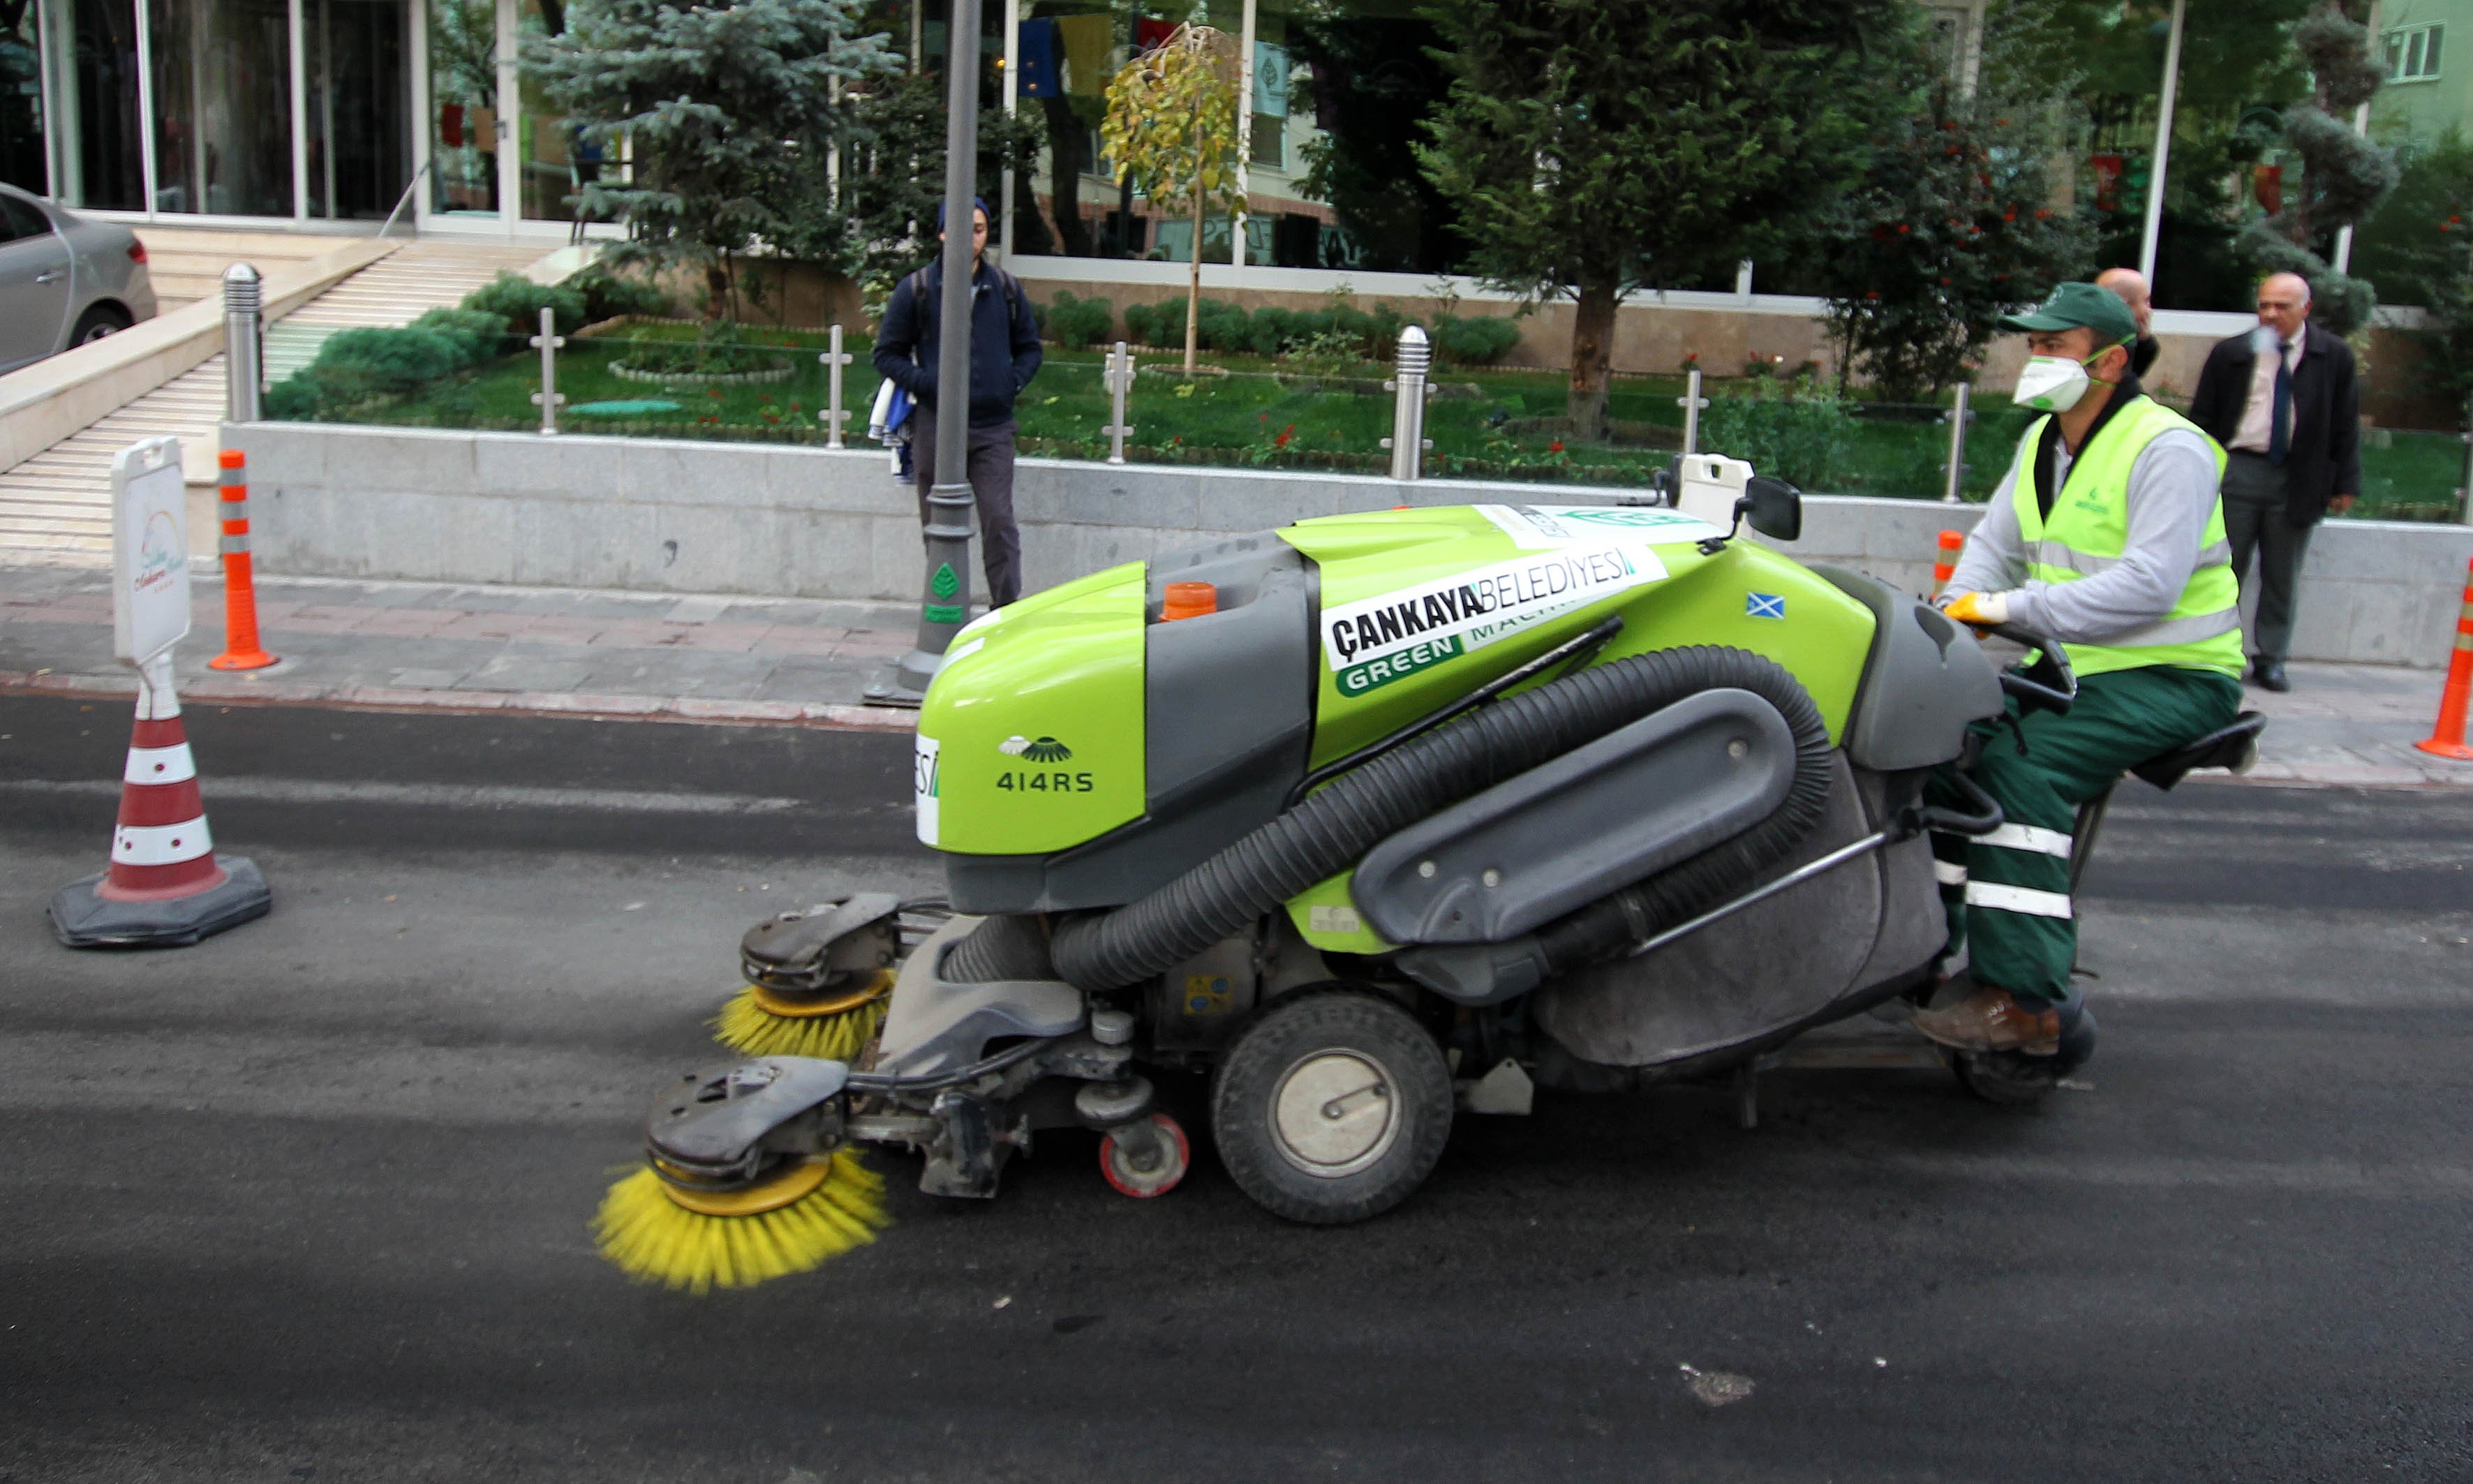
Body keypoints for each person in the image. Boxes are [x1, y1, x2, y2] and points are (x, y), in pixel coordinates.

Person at [1916, 281, 2245, 1056]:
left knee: (2021, 771)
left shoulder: (2169, 447)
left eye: (2053, 346)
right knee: (1935, 752)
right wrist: (1953, 613)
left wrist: (2008, 611)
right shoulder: (2043, 444)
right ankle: (1918, 947)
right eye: (2032, 345)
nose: (2036, 358)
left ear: (2111, 359)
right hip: (2077, 667)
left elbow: (2151, 584)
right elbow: (1991, 548)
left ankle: (2025, 998)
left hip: (2174, 674)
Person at [2186, 272, 2361, 692]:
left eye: (2281, 306)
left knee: (2283, 572)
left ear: (2306, 308)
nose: (2270, 314)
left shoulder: (2333, 356)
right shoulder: (2233, 353)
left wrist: (2345, 483)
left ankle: (2272, 657)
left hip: (2300, 476)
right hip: (2238, 470)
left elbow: (2345, 423)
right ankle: (2213, 653)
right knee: (2225, 570)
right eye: (2264, 304)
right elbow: (2203, 418)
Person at [871, 198, 1044, 607]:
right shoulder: (916, 289)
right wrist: (931, 384)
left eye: (980, 229)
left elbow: (1030, 349)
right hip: (936, 425)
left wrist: (1009, 384)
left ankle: (1004, 613)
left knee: (999, 521)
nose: (972, 238)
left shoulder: (1004, 288)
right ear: (944, 232)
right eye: (964, 229)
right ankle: (946, 610)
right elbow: (886, 354)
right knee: (936, 525)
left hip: (992, 427)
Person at [2094, 265, 2160, 378]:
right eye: (2146, 301)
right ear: (2123, 305)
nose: (2149, 310)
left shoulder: (2135, 342)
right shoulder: (2087, 341)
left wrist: (2143, 340)